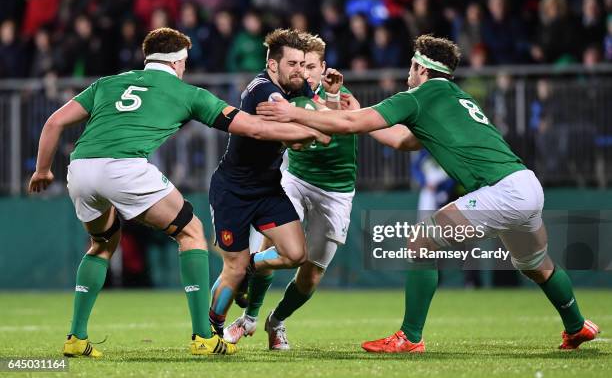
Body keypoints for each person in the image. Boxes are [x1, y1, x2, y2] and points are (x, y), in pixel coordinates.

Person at [255, 34, 599, 353]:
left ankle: (409, 337)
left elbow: (349, 126)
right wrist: (354, 108)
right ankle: (576, 325)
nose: (408, 72)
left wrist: (292, 112)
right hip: (526, 185)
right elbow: (403, 141)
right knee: (538, 265)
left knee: (422, 241)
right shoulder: (453, 96)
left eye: (411, 66)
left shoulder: (420, 95)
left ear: (421, 68)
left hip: (502, 192)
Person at [28, 27, 328, 358]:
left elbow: (55, 122)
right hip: (125, 168)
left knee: (101, 244)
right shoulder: (188, 94)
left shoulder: (107, 83)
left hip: (81, 168)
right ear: (178, 62)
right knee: (192, 233)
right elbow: (255, 127)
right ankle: (203, 336)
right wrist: (310, 128)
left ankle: (76, 337)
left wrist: (43, 170)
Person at [207, 29, 338, 337]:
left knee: (295, 255)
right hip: (233, 191)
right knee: (233, 268)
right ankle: (211, 331)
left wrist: (312, 126)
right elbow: (274, 132)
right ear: (272, 66)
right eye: (292, 64)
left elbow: (313, 131)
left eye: (304, 64)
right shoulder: (262, 89)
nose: (300, 71)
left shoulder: (298, 90)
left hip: (267, 188)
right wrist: (312, 131)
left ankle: (252, 265)